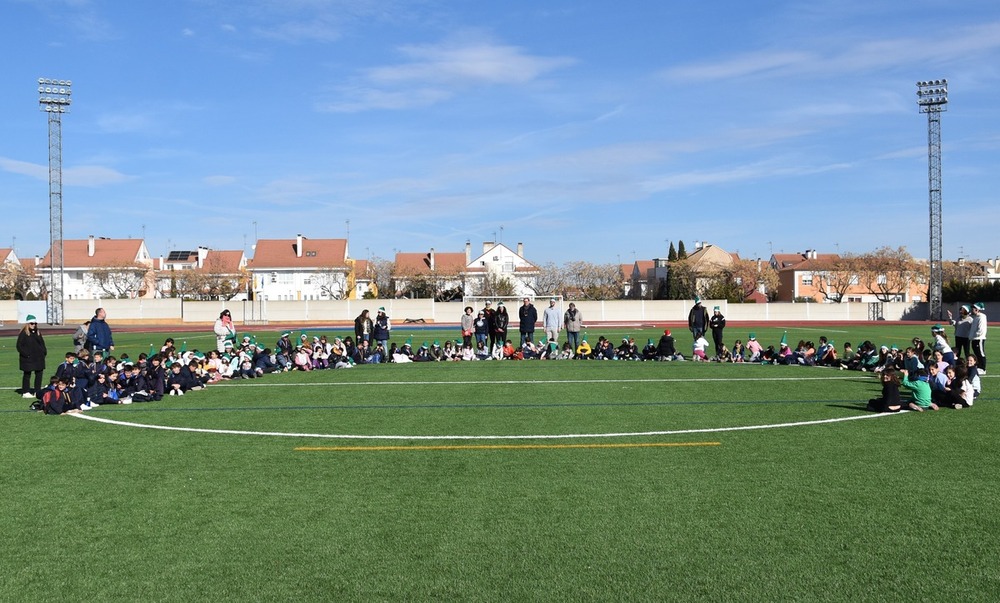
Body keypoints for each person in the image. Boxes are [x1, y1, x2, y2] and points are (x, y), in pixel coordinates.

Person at [17, 314, 47, 399]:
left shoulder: (37, 332)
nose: (33, 325)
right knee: (27, 374)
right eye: (31, 323)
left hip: (39, 358)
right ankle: (25, 392)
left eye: (35, 323)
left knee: (39, 374)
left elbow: (42, 343)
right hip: (28, 358)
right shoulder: (23, 333)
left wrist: (44, 352)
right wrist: (26, 354)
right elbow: (19, 346)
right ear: (27, 324)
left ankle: (37, 391)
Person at [969, 302, 987, 373]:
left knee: (980, 353)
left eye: (973, 308)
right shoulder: (975, 317)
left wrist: (975, 335)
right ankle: (979, 366)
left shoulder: (982, 317)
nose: (971, 310)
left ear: (977, 309)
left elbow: (981, 329)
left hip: (979, 338)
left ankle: (983, 368)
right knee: (976, 353)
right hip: (974, 338)